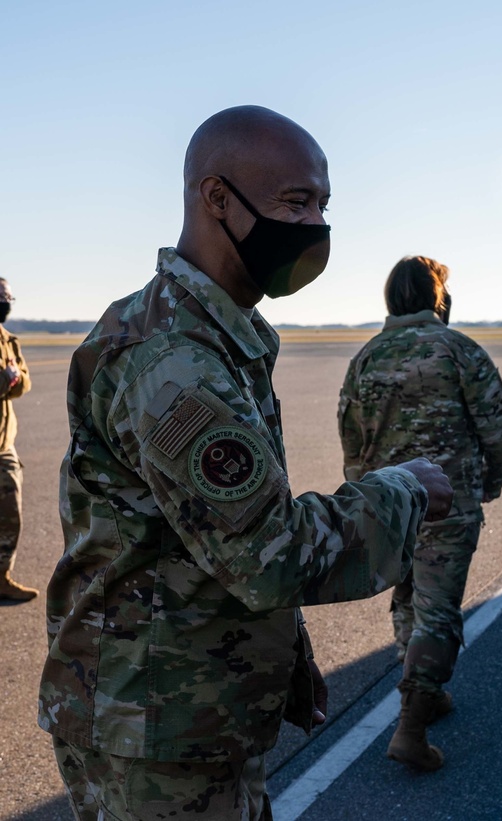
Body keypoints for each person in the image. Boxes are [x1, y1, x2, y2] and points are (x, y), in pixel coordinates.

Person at [37, 106, 453, 820]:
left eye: (324, 203)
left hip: (194, 706)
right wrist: (402, 490)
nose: (316, 223)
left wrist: (284, 660)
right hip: (158, 731)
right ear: (217, 198)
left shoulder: (213, 334)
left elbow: (207, 540)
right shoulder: (173, 363)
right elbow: (268, 550)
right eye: (296, 201)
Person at [338, 255, 502, 771]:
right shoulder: (457, 350)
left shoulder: (366, 358)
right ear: (439, 299)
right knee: (437, 612)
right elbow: (498, 426)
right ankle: (410, 729)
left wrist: (363, 499)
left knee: (409, 596)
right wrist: (490, 483)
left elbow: (351, 437)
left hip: (389, 508)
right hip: (448, 503)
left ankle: (425, 694)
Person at [0, 277, 33, 601]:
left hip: (4, 446)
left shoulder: (9, 340)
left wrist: (12, 381)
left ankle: (1, 577)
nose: (5, 302)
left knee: (10, 515)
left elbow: (24, 384)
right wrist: (5, 380)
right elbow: (10, 381)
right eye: (1, 297)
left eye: (7, 297)